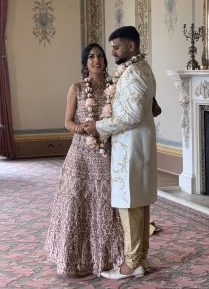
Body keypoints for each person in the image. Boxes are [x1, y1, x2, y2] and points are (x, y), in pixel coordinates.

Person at [84, 26, 158, 280]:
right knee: (137, 203)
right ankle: (141, 259)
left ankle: (130, 263)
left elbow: (132, 115)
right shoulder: (140, 68)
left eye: (117, 46)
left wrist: (99, 126)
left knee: (130, 204)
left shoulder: (133, 72)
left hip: (131, 146)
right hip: (137, 144)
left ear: (132, 46)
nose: (112, 51)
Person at [44, 43, 124, 277]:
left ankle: (106, 259)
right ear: (85, 62)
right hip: (80, 154)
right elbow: (67, 121)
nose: (96, 60)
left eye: (100, 56)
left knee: (103, 204)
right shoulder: (77, 88)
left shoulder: (114, 88)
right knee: (76, 203)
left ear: (105, 61)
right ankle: (74, 260)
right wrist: (80, 129)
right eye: (91, 57)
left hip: (105, 154)